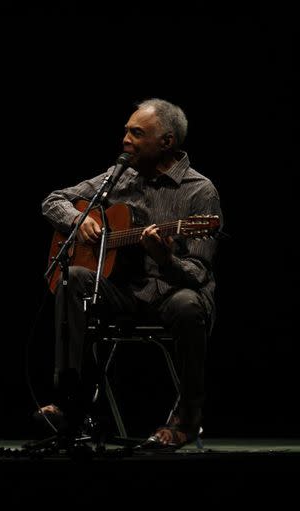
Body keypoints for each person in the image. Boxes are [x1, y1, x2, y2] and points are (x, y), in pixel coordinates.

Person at [39, 98, 222, 450]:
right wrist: (78, 220)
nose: (125, 139)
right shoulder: (118, 176)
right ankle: (69, 404)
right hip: (125, 293)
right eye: (126, 131)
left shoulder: (200, 191)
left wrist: (165, 259)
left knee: (188, 304)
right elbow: (53, 200)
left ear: (166, 141)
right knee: (73, 276)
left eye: (137, 133)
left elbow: (197, 275)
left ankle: (186, 419)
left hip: (171, 294)